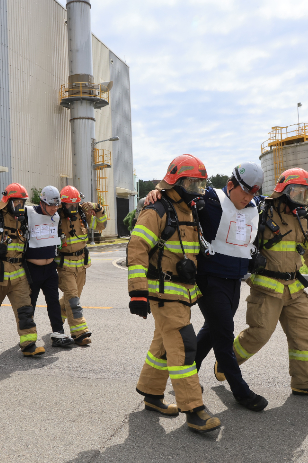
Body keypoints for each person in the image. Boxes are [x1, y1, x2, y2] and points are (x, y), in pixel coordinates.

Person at [144, 162, 268, 412]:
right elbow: (176, 194)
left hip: (234, 280)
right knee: (224, 333)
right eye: (244, 191)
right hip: (209, 280)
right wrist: (155, 192)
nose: (248, 197)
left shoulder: (257, 203)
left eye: (253, 192)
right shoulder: (208, 200)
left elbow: (283, 201)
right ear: (230, 185)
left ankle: (192, 372)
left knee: (213, 328)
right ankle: (240, 391)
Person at [127, 154, 221, 434]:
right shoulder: (156, 209)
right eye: (192, 183)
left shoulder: (190, 209)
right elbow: (137, 247)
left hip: (181, 293)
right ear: (175, 182)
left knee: (163, 346)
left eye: (200, 184)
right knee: (183, 346)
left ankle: (152, 394)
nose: (197, 189)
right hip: (163, 293)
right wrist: (137, 293)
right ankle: (194, 409)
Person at [230, 168, 308, 397]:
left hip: (294, 289)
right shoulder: (260, 212)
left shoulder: (303, 220)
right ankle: (227, 363)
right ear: (283, 190)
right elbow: (231, 211)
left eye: (306, 194)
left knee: (304, 336)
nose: (302, 199)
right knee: (259, 334)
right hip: (267, 288)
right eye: (298, 193)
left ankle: (304, 383)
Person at [0, 186, 75, 348]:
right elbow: (8, 209)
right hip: (32, 269)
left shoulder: (57, 214)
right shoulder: (28, 212)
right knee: (29, 304)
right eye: (51, 205)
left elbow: (72, 205)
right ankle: (27, 336)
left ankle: (58, 333)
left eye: (57, 205)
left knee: (53, 302)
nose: (54, 208)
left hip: (50, 270)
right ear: (42, 203)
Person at [0, 183, 46, 356]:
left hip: (19, 276)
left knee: (25, 311)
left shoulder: (26, 218)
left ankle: (28, 344)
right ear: (8, 202)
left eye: (23, 202)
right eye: (16, 203)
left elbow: (46, 210)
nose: (20, 206)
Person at [55, 185, 108, 345]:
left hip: (81, 266)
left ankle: (56, 321)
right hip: (65, 266)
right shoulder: (56, 216)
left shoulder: (83, 215)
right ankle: (80, 333)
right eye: (69, 205)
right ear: (62, 204)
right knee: (73, 299)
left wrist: (98, 209)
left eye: (75, 204)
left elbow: (101, 226)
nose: (72, 208)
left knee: (73, 298)